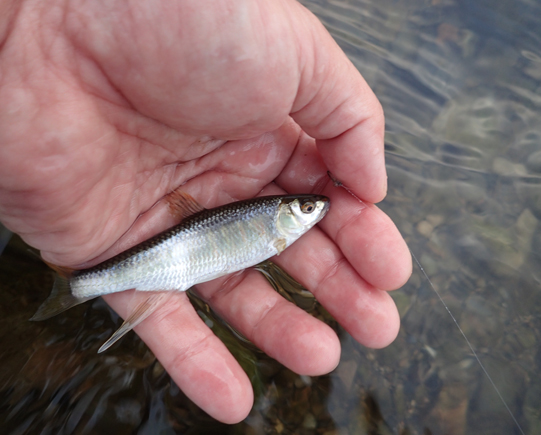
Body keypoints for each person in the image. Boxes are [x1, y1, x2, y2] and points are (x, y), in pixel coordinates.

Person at [0, 0, 411, 424]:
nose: (314, 211)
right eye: (306, 208)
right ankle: (78, 285)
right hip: (175, 253)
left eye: (307, 208)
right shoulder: (276, 225)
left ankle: (76, 285)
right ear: (287, 213)